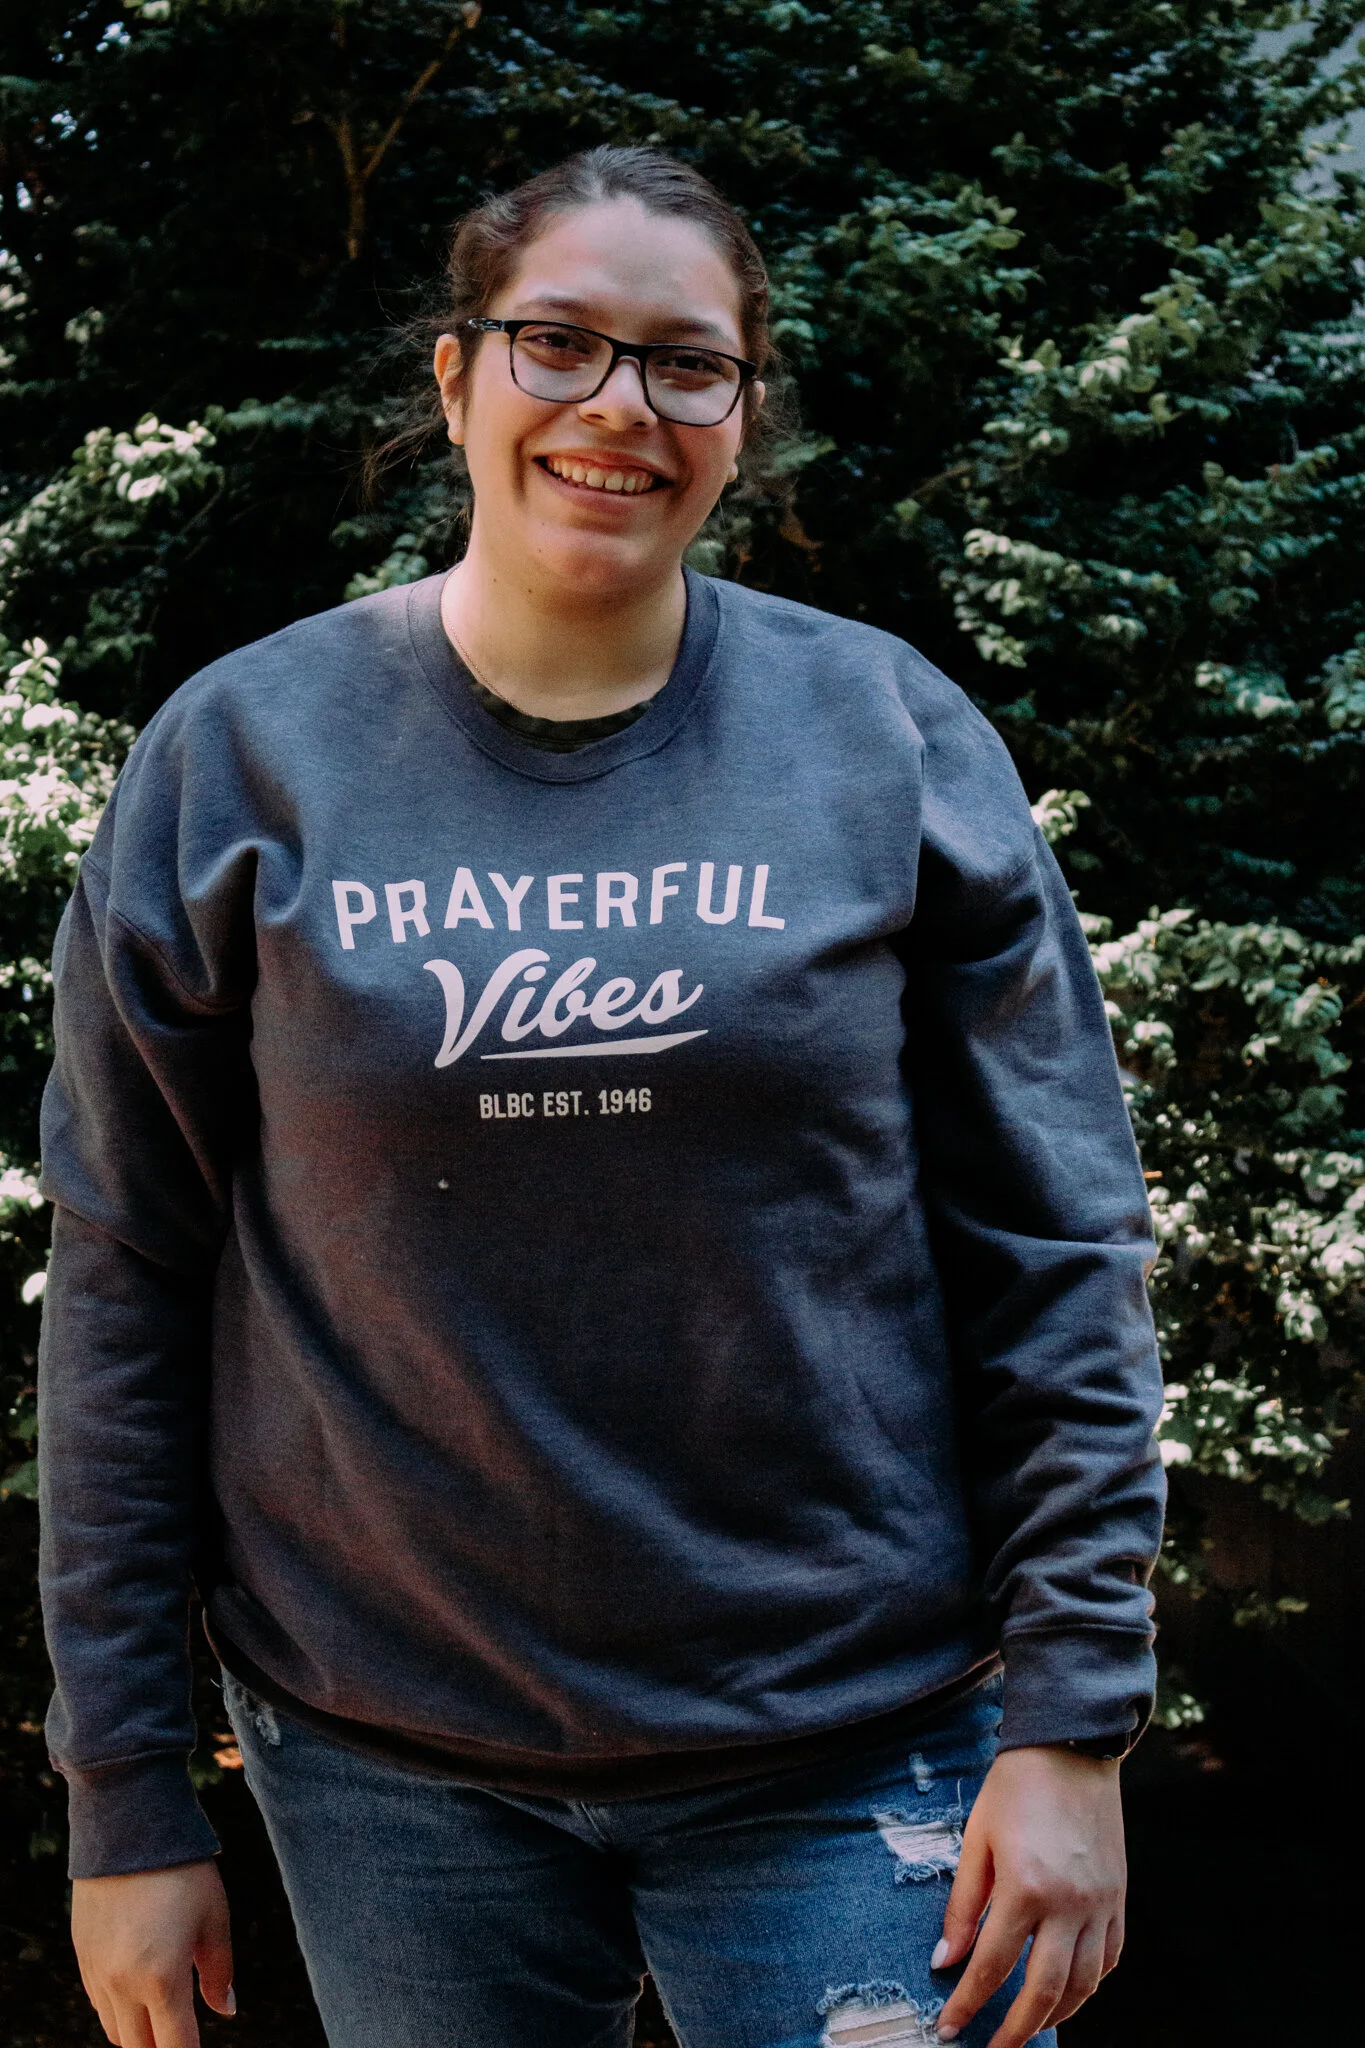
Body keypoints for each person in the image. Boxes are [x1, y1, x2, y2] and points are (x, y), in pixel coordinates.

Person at [37, 146, 1165, 2048]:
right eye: (557, 343)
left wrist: (1072, 1723)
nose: (619, 407)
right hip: (387, 1760)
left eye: (685, 363)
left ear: (742, 413)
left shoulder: (882, 732)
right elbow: (127, 1274)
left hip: (850, 1737)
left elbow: (1058, 1244)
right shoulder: (241, 757)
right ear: (455, 379)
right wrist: (127, 1795)